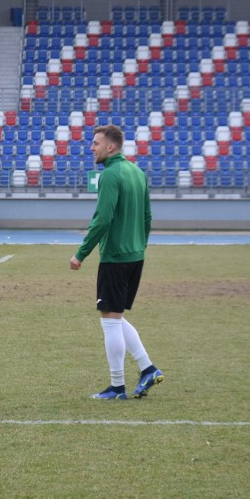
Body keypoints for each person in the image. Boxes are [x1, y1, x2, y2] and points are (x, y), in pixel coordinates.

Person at [70, 124, 163, 400]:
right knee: (116, 317)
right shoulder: (136, 171)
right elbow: (148, 217)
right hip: (135, 255)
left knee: (109, 321)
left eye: (96, 143)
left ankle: (117, 386)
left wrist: (81, 253)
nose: (91, 148)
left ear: (111, 147)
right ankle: (148, 369)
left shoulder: (110, 174)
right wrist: (139, 245)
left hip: (115, 257)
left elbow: (103, 218)